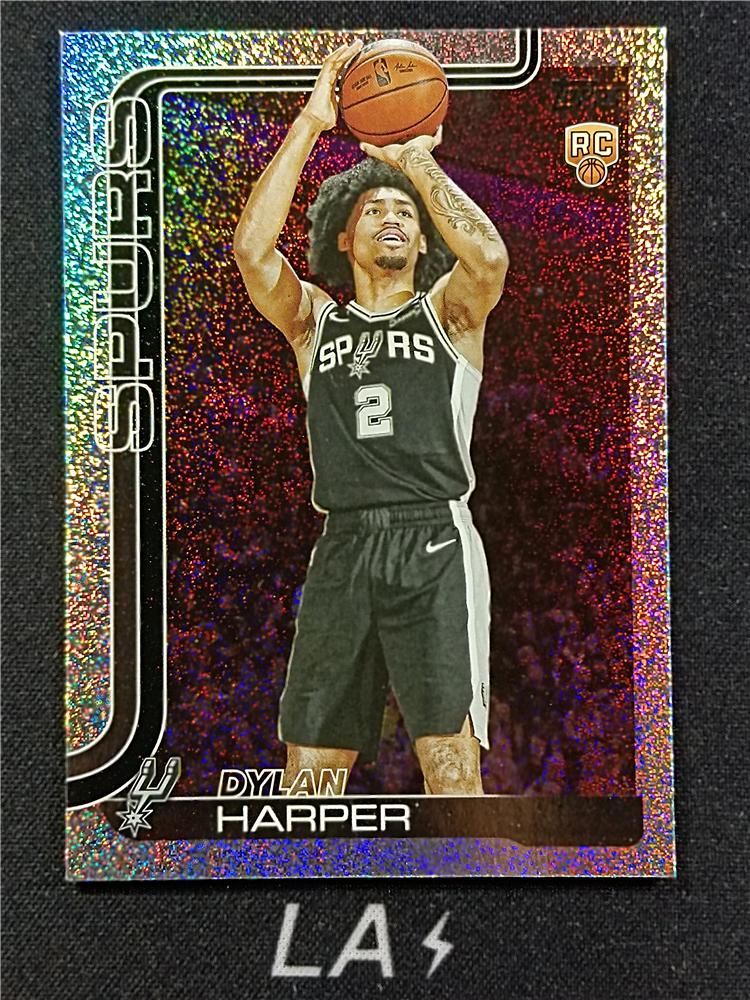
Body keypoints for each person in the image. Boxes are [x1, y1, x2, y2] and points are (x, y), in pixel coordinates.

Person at [234, 41, 508, 795]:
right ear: (343, 238)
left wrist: (415, 161)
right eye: (373, 210)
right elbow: (253, 252)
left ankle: (468, 875)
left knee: (451, 768)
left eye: (404, 214)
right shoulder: (315, 322)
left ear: (421, 239)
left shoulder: (449, 315)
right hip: (344, 544)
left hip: (434, 540)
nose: (391, 216)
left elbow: (488, 259)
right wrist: (310, 123)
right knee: (309, 781)